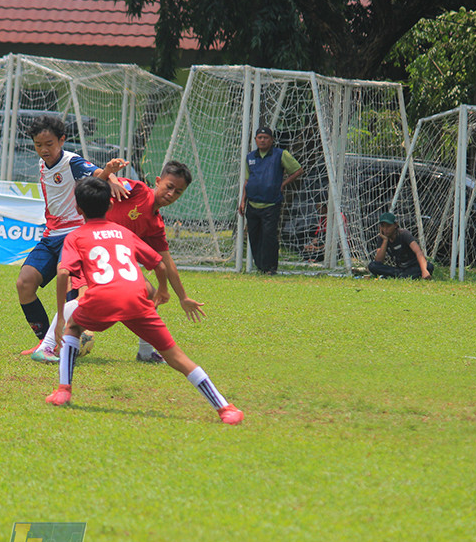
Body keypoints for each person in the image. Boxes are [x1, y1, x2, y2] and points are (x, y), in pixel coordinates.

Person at [44, 176, 243, 425]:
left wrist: (62, 315)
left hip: (101, 299)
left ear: (78, 209)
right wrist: (162, 291)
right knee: (176, 356)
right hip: (136, 298)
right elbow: (159, 264)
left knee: (73, 327)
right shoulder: (124, 232)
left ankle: (63, 390)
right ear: (109, 206)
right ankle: (225, 408)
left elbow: (63, 273)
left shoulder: (75, 237)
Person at [28, 160, 205, 364]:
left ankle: (146, 352)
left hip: (112, 264)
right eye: (169, 187)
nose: (171, 194)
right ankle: (47, 346)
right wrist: (111, 176)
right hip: (91, 251)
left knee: (149, 294)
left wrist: (183, 297)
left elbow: (166, 262)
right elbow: (95, 187)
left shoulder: (155, 223)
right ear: (158, 181)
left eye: (178, 192)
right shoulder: (136, 190)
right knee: (85, 299)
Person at [16, 114, 127, 352]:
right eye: (38, 145)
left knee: (70, 292)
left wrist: (111, 173)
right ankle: (45, 340)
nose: (44, 150)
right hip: (50, 236)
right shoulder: (42, 163)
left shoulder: (71, 162)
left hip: (74, 236)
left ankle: (67, 344)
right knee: (24, 284)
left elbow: (98, 174)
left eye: (49, 144)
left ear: (62, 140)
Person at [238, 127, 303, 274]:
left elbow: (298, 170)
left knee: (269, 236)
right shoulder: (250, 157)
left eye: (265, 137)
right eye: (259, 137)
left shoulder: (280, 154)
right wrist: (243, 201)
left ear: (272, 140)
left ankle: (271, 268)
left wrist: (283, 184)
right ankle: (261, 267)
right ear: (255, 140)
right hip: (252, 203)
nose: (262, 140)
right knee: (254, 236)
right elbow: (247, 181)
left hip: (271, 204)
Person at [368, 212, 432, 279]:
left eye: (388, 226)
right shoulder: (382, 238)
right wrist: (385, 241)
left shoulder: (403, 234)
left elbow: (418, 252)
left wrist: (424, 271)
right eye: (383, 226)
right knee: (372, 266)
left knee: (429, 267)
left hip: (413, 266)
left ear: (395, 225)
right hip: (399, 269)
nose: (385, 229)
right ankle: (401, 276)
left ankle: (398, 276)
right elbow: (378, 261)